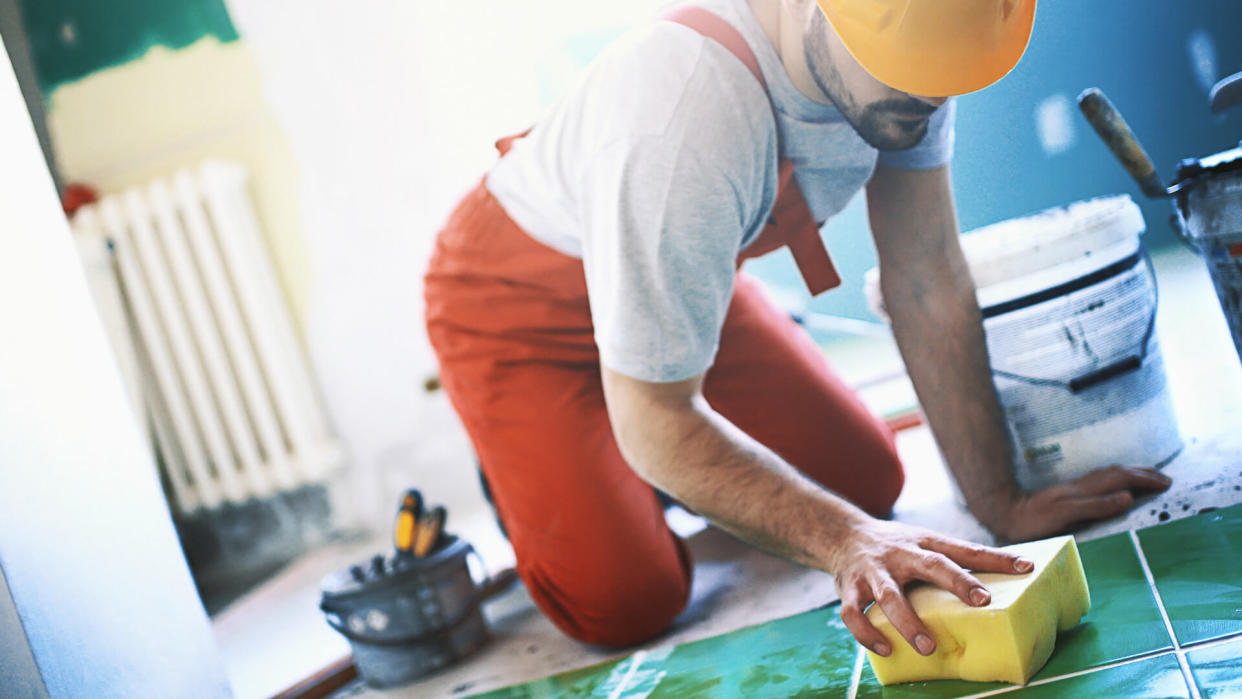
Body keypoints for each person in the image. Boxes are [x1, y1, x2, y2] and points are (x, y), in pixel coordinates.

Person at [423, 0, 1172, 657]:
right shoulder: (683, 109)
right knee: (627, 600)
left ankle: (648, 422)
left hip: (677, 273)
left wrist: (1001, 502)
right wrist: (844, 541)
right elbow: (655, 420)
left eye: (944, 79)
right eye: (906, 77)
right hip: (519, 311)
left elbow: (925, 276)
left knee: (866, 480)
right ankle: (550, 461)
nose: (929, 101)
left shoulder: (919, 54)